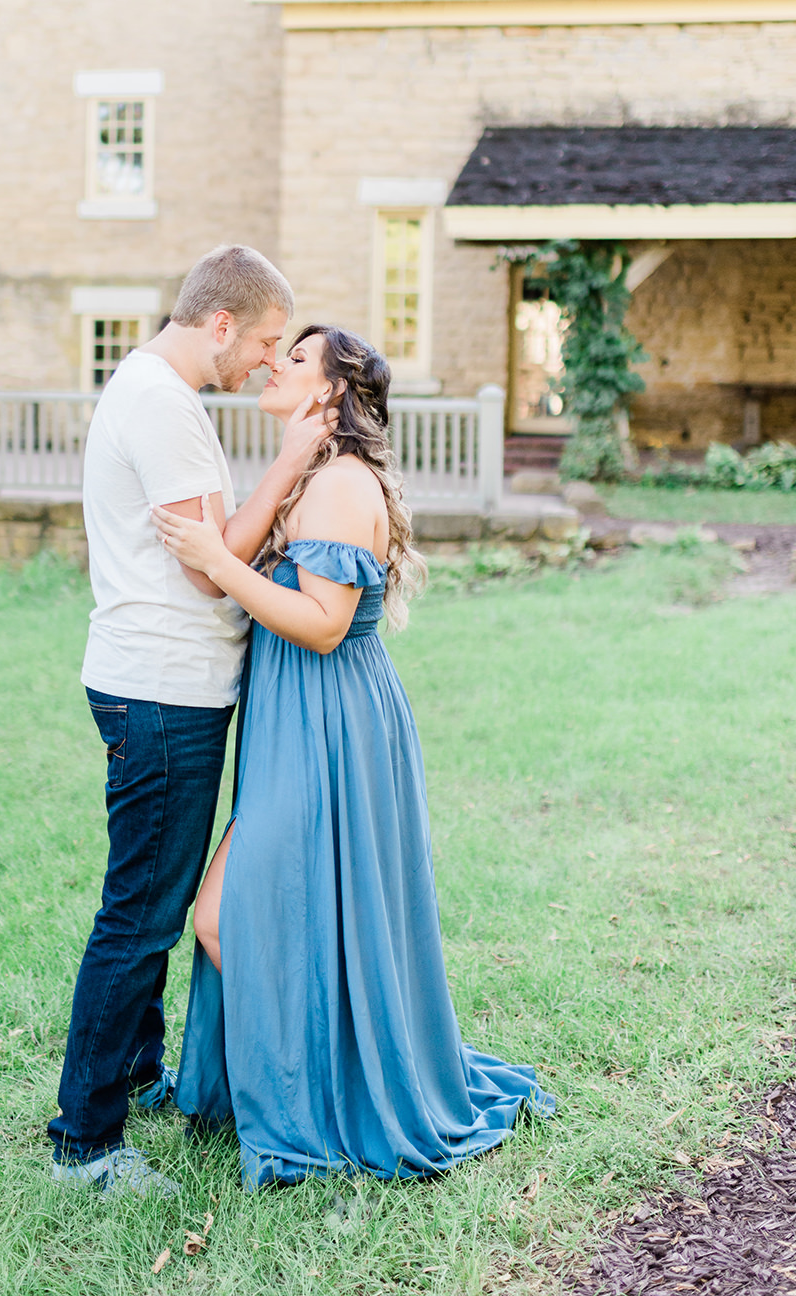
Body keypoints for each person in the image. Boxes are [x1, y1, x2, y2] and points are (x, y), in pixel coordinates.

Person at [153, 324, 554, 1189]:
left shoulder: (338, 485)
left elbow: (325, 626)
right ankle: (309, 1075)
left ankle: (318, 1095)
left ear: (331, 394)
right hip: (299, 716)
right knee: (287, 909)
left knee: (224, 916)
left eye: (294, 359)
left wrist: (217, 561)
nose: (273, 364)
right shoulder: (310, 474)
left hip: (329, 717)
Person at [49, 246, 335, 1197]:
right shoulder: (164, 406)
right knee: (141, 914)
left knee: (147, 901)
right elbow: (206, 563)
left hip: (159, 682)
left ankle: (133, 1069)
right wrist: (293, 458)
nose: (264, 361)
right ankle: (86, 1143)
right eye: (260, 341)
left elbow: (208, 545)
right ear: (221, 324)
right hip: (163, 690)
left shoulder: (152, 391)